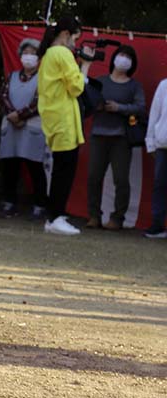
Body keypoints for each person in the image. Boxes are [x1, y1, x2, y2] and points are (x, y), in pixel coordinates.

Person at [36, 15, 90, 235]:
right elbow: (77, 87)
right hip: (63, 118)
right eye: (75, 39)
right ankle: (56, 216)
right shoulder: (61, 53)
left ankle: (54, 214)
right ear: (66, 35)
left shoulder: (49, 54)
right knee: (64, 170)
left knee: (61, 168)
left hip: (56, 117)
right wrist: (86, 65)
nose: (75, 45)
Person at [86, 46, 146, 230]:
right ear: (113, 58)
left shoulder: (134, 86)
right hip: (98, 134)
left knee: (121, 179)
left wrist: (119, 108)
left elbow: (140, 108)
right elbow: (87, 102)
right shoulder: (101, 81)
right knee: (93, 177)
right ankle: (94, 216)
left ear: (132, 63)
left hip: (121, 138)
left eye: (128, 57)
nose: (123, 59)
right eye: (121, 55)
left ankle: (118, 218)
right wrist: (97, 106)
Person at [0, 37, 47, 219]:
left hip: (32, 127)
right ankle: (9, 203)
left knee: (35, 168)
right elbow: (3, 95)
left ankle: (40, 205)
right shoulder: (12, 76)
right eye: (25, 53)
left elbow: (40, 101)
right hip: (11, 127)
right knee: (10, 167)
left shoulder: (44, 78)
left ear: (39, 58)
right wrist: (12, 115)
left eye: (33, 54)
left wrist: (21, 115)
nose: (29, 57)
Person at [144, 76, 167, 239]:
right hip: (163, 144)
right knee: (160, 185)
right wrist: (150, 141)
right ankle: (157, 225)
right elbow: (155, 113)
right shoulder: (164, 85)